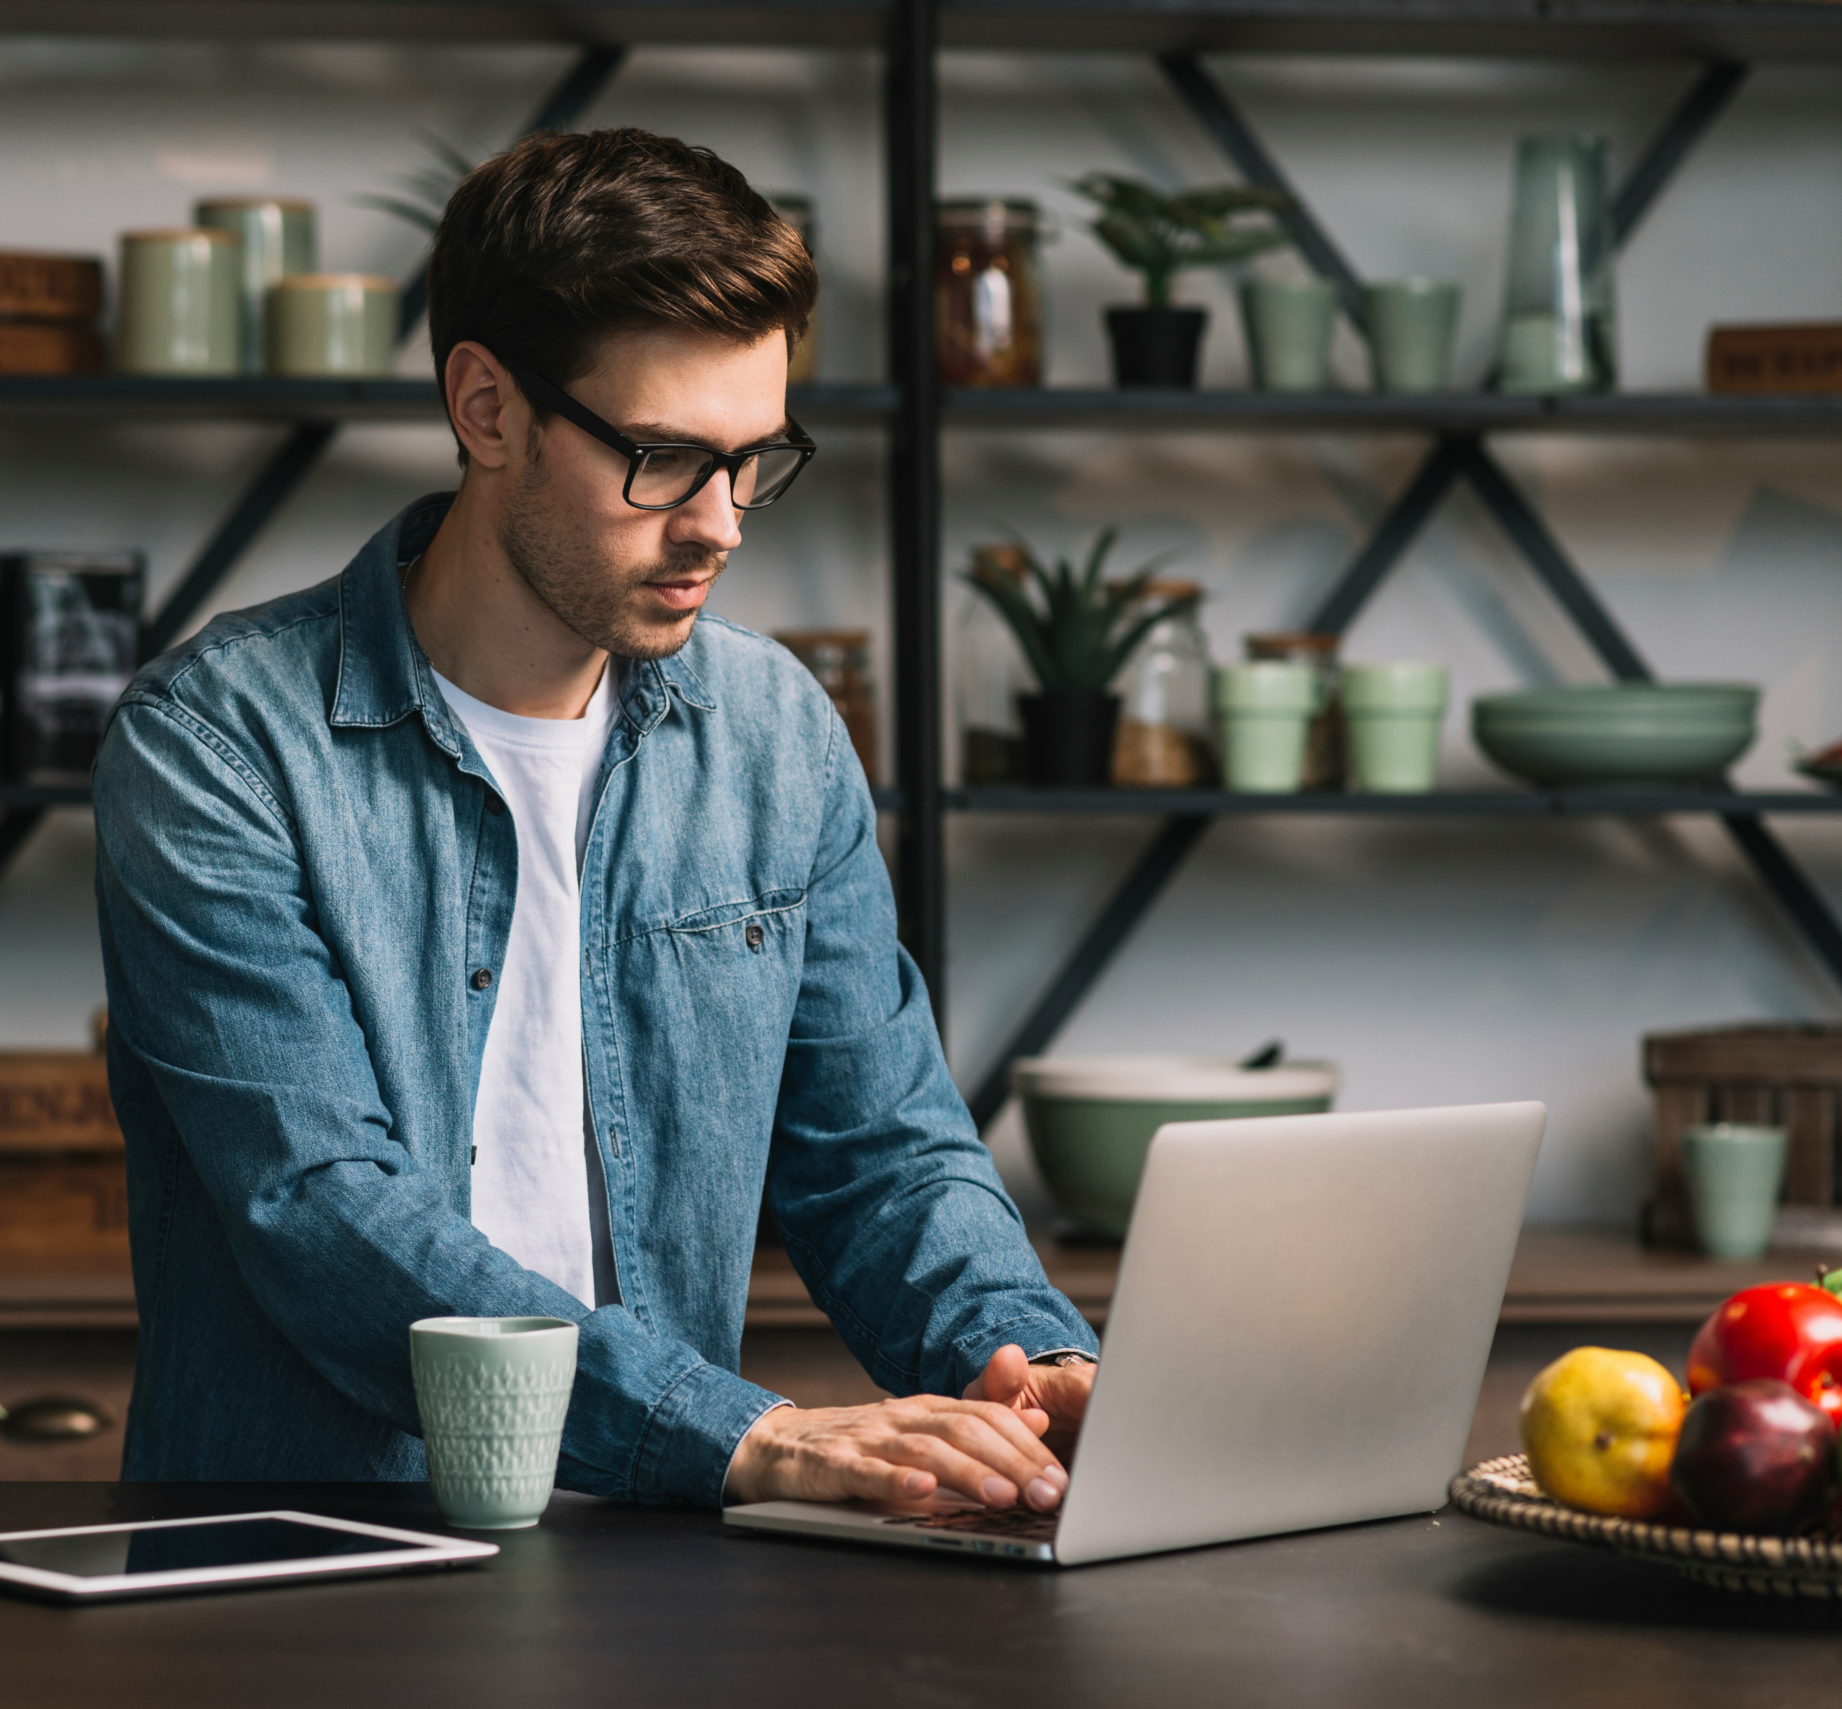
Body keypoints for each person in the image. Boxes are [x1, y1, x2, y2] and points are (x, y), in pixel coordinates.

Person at [94, 127, 1097, 1513]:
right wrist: (738, 1437)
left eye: (757, 460)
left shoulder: (776, 735)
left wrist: (1034, 1367)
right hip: (318, 1562)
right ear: (487, 407)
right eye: (666, 459)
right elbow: (317, 1210)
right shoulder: (218, 747)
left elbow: (881, 1150)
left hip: (657, 1561)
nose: (722, 526)